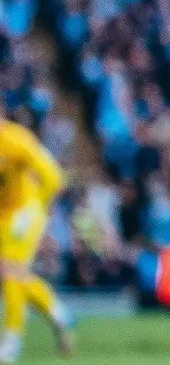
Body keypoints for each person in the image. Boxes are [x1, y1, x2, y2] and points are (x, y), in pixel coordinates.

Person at [0, 116, 75, 362]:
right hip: (3, 214)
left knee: (10, 271)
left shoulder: (16, 140)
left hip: (24, 211)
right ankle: (55, 310)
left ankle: (11, 342)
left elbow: (53, 176)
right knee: (13, 274)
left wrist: (40, 208)